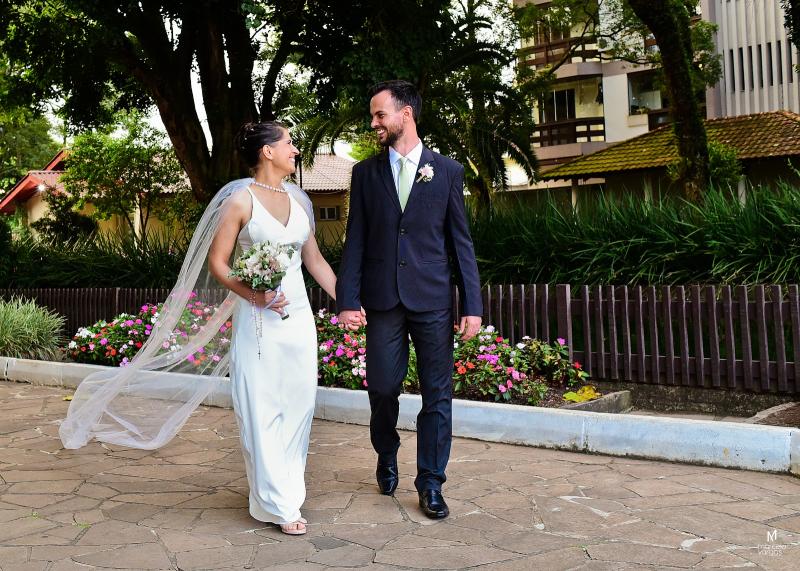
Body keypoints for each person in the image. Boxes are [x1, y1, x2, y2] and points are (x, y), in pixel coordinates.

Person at [59, 121, 337, 537]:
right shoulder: (241, 202)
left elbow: (314, 260)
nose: (296, 150)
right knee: (260, 406)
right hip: (258, 320)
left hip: (296, 319)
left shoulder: (299, 200)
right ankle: (282, 503)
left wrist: (348, 300)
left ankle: (277, 496)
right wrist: (254, 293)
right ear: (267, 152)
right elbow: (219, 263)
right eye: (289, 143)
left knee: (298, 406)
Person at [336, 80, 483, 519]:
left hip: (433, 300)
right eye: (373, 116)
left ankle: (431, 483)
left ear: (406, 115)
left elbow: (461, 243)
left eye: (380, 114)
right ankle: (386, 451)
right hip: (383, 300)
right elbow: (355, 241)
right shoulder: (364, 174)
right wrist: (348, 299)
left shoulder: (448, 171)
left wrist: (471, 304)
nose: (374, 123)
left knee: (437, 395)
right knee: (382, 387)